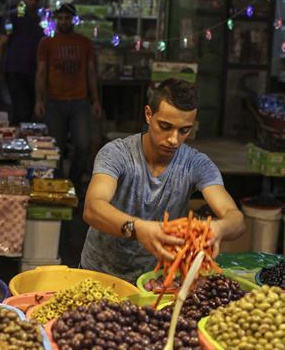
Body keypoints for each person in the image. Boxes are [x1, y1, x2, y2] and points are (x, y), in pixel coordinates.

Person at [80, 79, 244, 283]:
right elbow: (93, 208)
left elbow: (236, 219)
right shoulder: (117, 153)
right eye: (165, 126)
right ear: (149, 114)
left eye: (184, 130)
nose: (174, 139)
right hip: (99, 274)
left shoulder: (196, 164)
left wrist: (219, 229)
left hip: (154, 280)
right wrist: (139, 229)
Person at [34, 3, 101, 194]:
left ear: (73, 20)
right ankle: (58, 186)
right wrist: (39, 100)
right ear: (56, 20)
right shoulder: (46, 43)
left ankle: (73, 182)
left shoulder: (84, 43)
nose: (64, 21)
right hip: (54, 101)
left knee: (83, 145)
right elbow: (41, 72)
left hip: (80, 101)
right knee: (56, 148)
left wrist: (95, 99)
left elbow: (90, 72)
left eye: (67, 18)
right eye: (61, 18)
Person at [0, 0, 45, 124]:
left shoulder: (41, 21)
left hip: (34, 72)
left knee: (30, 109)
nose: (33, 2)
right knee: (21, 110)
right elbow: (2, 43)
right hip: (15, 70)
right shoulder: (13, 17)